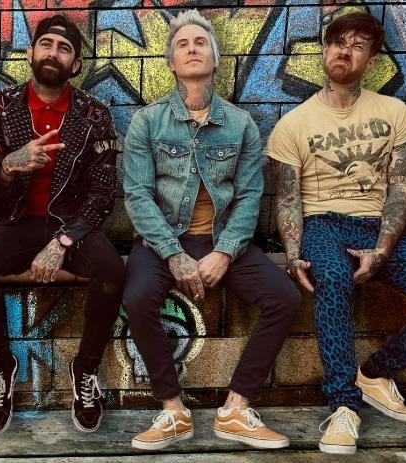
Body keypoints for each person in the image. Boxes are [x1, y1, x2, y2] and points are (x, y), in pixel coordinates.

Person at [266, 11, 406, 455]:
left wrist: (382, 249)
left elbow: (401, 190)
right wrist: (293, 255)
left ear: (371, 59)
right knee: (330, 279)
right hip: (323, 226)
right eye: (336, 42)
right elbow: (288, 199)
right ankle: (344, 405)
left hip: (379, 227)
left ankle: (374, 373)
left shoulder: (394, 112)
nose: (343, 51)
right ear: (324, 51)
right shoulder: (294, 123)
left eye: (356, 45)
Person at [122, 9, 300, 451]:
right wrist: (173, 253)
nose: (192, 48)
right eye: (182, 44)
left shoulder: (240, 124)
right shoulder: (147, 122)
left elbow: (248, 196)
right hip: (163, 241)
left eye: (200, 42)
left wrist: (224, 252)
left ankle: (236, 408)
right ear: (171, 63)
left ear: (216, 60)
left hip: (222, 241)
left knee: (285, 297)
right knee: (138, 297)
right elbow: (138, 196)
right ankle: (172, 410)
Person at [0, 14, 124, 434]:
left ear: (75, 65)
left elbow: (103, 192)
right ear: (32, 53)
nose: (53, 52)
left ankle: (85, 370)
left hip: (72, 225)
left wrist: (63, 240)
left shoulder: (95, 114)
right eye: (47, 44)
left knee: (111, 269)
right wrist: (7, 167)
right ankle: (2, 367)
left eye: (65, 48)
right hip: (15, 222)